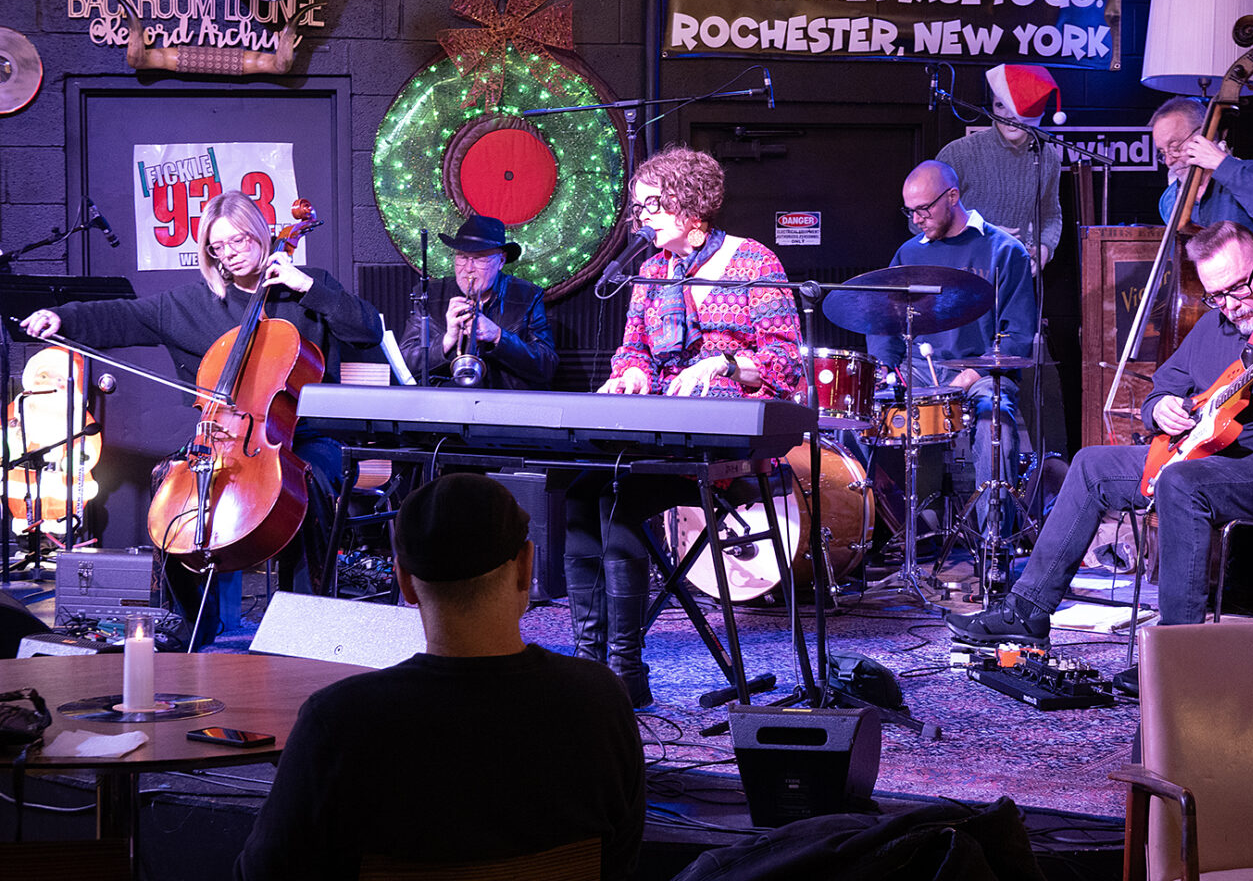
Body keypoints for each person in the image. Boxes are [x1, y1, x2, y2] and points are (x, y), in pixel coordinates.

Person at [947, 222, 1253, 689]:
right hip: (1217, 460)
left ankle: (1177, 655)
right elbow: (1163, 387)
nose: (1230, 305)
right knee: (1090, 465)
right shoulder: (1214, 325)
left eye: (1238, 288)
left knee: (1182, 484)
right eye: (1216, 295)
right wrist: (1157, 409)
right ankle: (1027, 611)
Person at [234, 473, 645, 880]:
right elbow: (622, 862)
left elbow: (262, 874)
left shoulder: (338, 720)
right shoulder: (602, 700)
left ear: (405, 582)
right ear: (525, 567)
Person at [20, 190, 383, 627]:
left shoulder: (308, 286)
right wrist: (64, 318)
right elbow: (124, 316)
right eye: (218, 247)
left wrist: (307, 287)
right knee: (170, 488)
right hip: (230, 440)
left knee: (307, 481)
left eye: (239, 241)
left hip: (307, 435)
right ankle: (192, 622)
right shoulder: (193, 304)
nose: (230, 254)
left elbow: (368, 330)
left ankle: (305, 619)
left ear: (262, 235)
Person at [567, 145, 803, 707]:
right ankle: (587, 662)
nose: (640, 217)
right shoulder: (651, 272)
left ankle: (623, 669)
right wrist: (627, 376)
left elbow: (786, 363)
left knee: (618, 500)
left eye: (650, 205)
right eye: (637, 208)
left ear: (690, 208)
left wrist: (720, 364)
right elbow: (634, 352)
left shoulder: (754, 263)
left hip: (729, 439)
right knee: (579, 492)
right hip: (664, 431)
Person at [865, 159, 1038, 542]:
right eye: (910, 212)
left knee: (997, 421)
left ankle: (994, 546)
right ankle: (870, 539)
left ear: (953, 197)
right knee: (853, 415)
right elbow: (883, 322)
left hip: (982, 373)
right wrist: (889, 369)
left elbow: (1018, 334)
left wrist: (971, 375)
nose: (916, 221)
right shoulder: (909, 253)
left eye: (924, 210)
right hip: (920, 369)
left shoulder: (1003, 252)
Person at [398, 214, 558, 389]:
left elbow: (547, 366)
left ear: (501, 261)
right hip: (446, 403)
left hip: (505, 403)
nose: (468, 269)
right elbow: (403, 365)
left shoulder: (527, 295)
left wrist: (498, 336)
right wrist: (447, 340)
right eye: (462, 257)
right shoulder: (431, 294)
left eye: (480, 258)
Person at [1151, 95, 1253, 282]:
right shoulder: (1169, 200)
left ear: (1204, 135)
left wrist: (1221, 163)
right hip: (1207, 307)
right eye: (1163, 153)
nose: (1169, 161)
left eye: (1175, 147)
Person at [936, 63, 1063, 269]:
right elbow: (919, 221)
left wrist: (1044, 248)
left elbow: (1050, 214)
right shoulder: (959, 153)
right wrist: (979, 230)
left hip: (1014, 271)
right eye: (1000, 105)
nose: (1009, 116)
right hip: (960, 271)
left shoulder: (1047, 157)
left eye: (1018, 105)